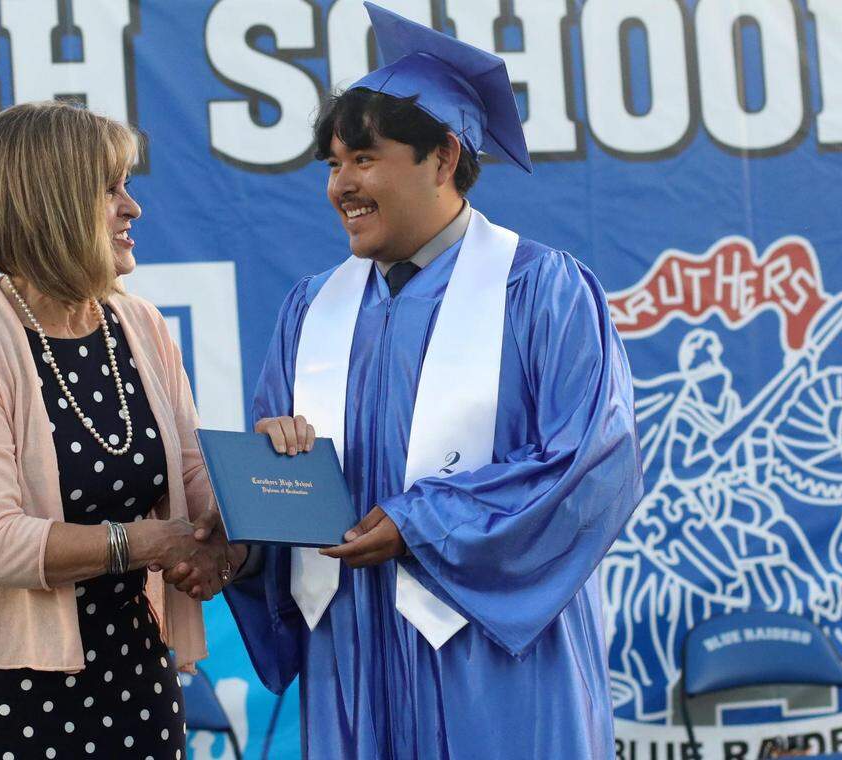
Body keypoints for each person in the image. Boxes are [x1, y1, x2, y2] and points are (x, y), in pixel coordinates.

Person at [223, 4, 644, 758]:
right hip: (351, 654)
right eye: (332, 164)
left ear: (443, 157)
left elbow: (588, 465)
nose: (340, 186)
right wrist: (261, 505)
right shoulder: (310, 309)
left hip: (494, 658)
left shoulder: (541, 292)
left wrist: (424, 523)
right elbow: (279, 511)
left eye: (363, 159)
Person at [0, 100, 234, 759]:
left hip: (132, 670)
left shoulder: (141, 327)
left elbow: (193, 479)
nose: (132, 208)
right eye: (109, 190)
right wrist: (147, 543)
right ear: (51, 204)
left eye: (127, 187)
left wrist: (243, 515)